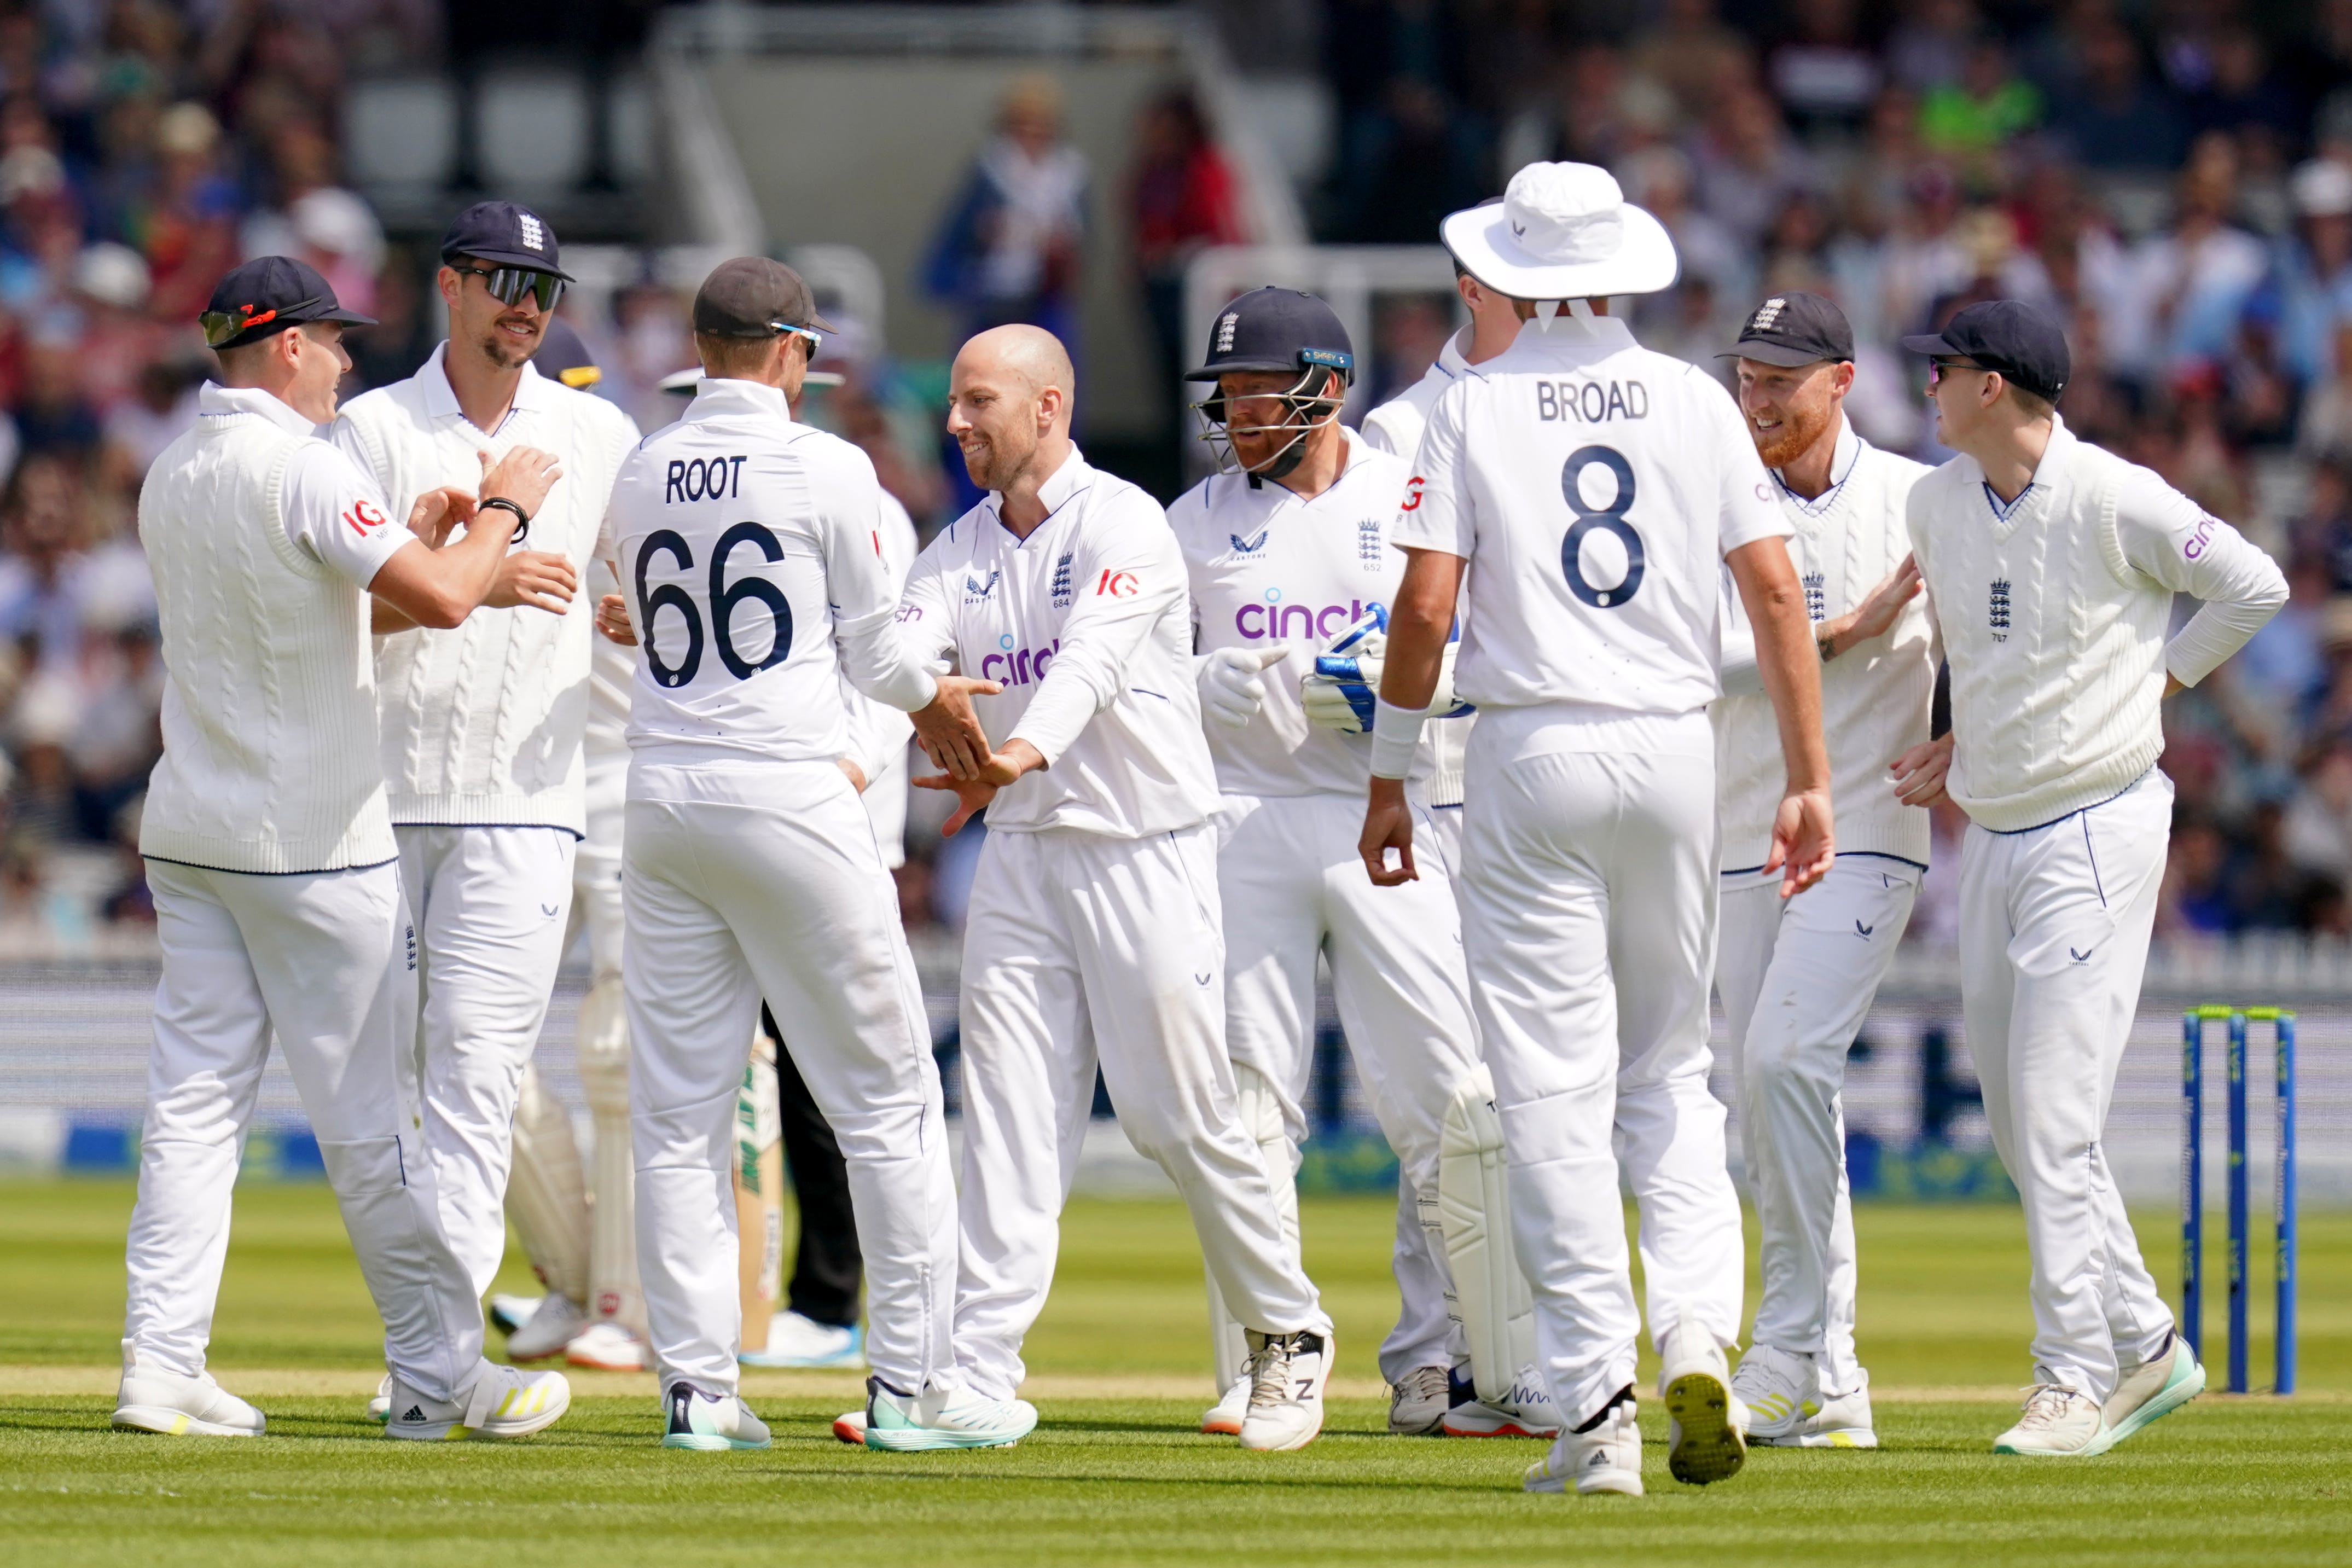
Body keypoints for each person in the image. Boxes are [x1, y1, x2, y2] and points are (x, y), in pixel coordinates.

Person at [1358, 161, 1833, 1497]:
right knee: (1670, 1073)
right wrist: (1807, 773)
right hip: (1673, 745)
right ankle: (1693, 1330)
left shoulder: (1468, 407)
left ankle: (1595, 1411)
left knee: (1552, 1092)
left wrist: (1392, 774)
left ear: (1505, 271)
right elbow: (1780, 596)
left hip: (1526, 747)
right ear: (1619, 269)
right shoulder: (1691, 397)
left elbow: (1420, 612)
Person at [117, 255, 572, 1442]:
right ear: (282, 348)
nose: (345, 363)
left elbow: (326, 598)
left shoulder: (174, 468)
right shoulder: (305, 465)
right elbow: (451, 600)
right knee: (375, 1126)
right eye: (330, 344)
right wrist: (502, 507)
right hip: (314, 843)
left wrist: (416, 535)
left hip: (196, 833)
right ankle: (441, 1371)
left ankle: (158, 1364)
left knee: (194, 1108)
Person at [881, 323, 1334, 1453]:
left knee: (1175, 1113)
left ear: (1046, 407)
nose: (954, 421)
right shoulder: (958, 547)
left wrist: (1009, 755)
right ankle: (974, 1375)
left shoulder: (1126, 520)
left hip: (1144, 842)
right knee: (1005, 1119)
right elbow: (887, 644)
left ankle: (1289, 1331)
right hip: (1026, 850)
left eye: (976, 400)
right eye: (951, 401)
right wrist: (925, 693)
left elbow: (1090, 661)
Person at [595, 257, 1009, 1451]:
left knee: (679, 1112)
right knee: (886, 1097)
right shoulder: (827, 465)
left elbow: (622, 602)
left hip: (661, 796)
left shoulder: (640, 464)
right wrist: (940, 698)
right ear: (787, 349)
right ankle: (913, 1388)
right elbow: (878, 660)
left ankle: (697, 1391)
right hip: (786, 787)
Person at [1893, 299, 2285, 1455]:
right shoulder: (1932, 502)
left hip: (2096, 825)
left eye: (1943, 369)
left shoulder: (2116, 494)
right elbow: (1993, 644)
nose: (1927, 386)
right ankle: (2148, 1340)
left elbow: (2251, 583)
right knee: (2020, 1129)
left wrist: (2156, 684)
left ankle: (2067, 1377)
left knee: (2054, 1121)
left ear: (1995, 387)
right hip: (1994, 832)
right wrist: (1955, 737)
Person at [1169, 285, 1552, 1443]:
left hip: (1399, 811)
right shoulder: (1188, 523)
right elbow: (1135, 682)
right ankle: (1258, 1360)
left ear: (1326, 392)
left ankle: (1482, 1364)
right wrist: (1229, 683)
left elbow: (1490, 650)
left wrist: (1411, 691)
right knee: (1243, 1105)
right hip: (1243, 818)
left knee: (1451, 1100)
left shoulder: (1412, 494)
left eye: (1257, 393)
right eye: (1224, 395)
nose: (1237, 416)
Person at [330, 202, 642, 1416]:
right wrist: (473, 584)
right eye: (504, 279)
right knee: (401, 1091)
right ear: (450, 287)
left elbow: (633, 586)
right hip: (377, 800)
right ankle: (437, 1356)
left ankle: (433, 1370)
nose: (527, 303)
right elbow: (330, 626)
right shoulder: (367, 431)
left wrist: (620, 612)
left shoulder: (599, 432)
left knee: (471, 1075)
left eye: (544, 286)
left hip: (525, 803)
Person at [1712, 292, 1935, 1449]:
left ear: (1840, 380)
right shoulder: (1714, 492)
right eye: (1745, 376)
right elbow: (1697, 661)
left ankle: (1785, 1347)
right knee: (1774, 1095)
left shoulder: (1915, 499)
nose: (1756, 399)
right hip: (1734, 832)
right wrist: (1841, 630)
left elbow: (1987, 649)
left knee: (1784, 1058)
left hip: (1863, 832)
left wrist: (1961, 738)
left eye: (1779, 380)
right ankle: (1835, 1374)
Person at [1353, 213, 1526, 1414]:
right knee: (1435, 1087)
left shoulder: (1565, 407)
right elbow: (1392, 617)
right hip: (1428, 780)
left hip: (1525, 776)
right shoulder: (1397, 429)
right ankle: (1428, 1346)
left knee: (1526, 1082)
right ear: (1476, 291)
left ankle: (1514, 1343)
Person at [493, 317, 649, 1372]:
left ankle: (625, 1306)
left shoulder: (638, 473)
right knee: (467, 1040)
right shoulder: (488, 471)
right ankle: (569, 1271)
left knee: (621, 1049)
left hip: (632, 778)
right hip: (513, 782)